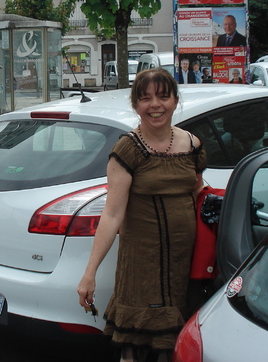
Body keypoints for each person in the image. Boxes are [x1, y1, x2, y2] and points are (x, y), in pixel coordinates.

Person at [77, 68, 206, 362]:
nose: (155, 105)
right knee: (135, 348)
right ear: (136, 105)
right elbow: (111, 215)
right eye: (145, 98)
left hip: (184, 264)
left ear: (175, 100)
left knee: (174, 345)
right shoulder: (128, 150)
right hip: (141, 267)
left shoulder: (193, 145)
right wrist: (89, 274)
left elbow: (197, 190)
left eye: (163, 96)